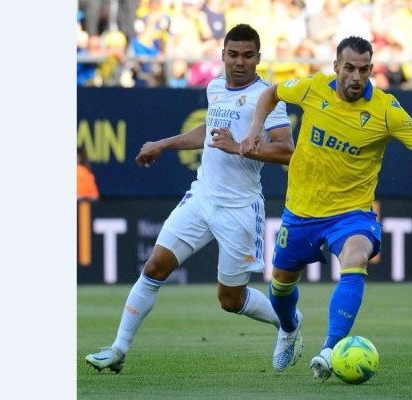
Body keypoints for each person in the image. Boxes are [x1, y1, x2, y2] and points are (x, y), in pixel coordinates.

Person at [85, 23, 298, 373]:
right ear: (223, 55)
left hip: (240, 208)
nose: (240, 62)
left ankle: (289, 322)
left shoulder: (267, 97)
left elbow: (287, 150)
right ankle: (118, 349)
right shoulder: (215, 86)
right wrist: (163, 144)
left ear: (258, 58)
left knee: (230, 300)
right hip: (201, 198)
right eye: (233, 54)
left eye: (247, 56)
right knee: (154, 267)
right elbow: (208, 130)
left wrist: (239, 147)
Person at [239, 35, 412, 380]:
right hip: (301, 211)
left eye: (364, 69)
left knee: (355, 258)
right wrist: (254, 130)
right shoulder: (312, 88)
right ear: (336, 65)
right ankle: (289, 327)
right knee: (279, 287)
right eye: (350, 68)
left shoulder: (385, 109)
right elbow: (271, 93)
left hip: (352, 213)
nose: (356, 77)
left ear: (371, 69)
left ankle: (330, 350)